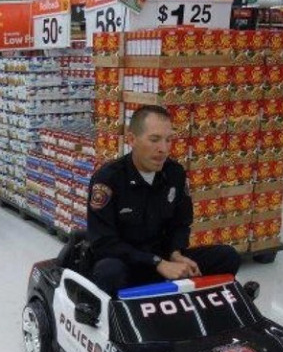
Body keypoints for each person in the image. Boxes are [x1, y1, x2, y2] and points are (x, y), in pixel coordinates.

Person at [87, 105, 241, 296]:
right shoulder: (107, 179)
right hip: (127, 264)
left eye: (168, 140)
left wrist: (176, 254)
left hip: (166, 261)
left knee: (227, 256)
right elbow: (103, 243)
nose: (164, 149)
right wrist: (156, 262)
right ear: (131, 140)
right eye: (154, 140)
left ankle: (198, 306)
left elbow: (181, 223)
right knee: (108, 272)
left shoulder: (175, 173)